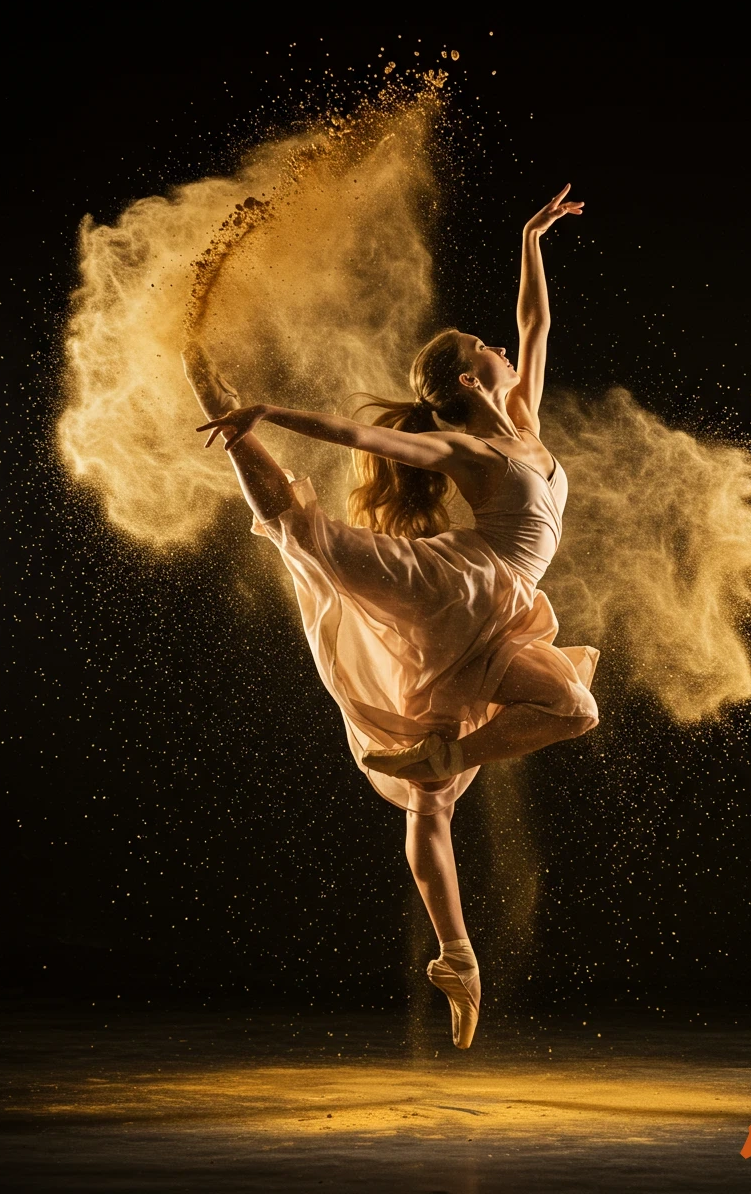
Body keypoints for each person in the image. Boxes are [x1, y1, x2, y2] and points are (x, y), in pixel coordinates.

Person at [183, 185, 599, 1049]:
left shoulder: (521, 418)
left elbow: (536, 325)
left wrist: (531, 235)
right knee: (311, 539)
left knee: (543, 726)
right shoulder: (467, 448)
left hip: (503, 611)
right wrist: (269, 413)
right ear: (469, 380)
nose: (501, 347)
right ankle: (224, 411)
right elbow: (367, 439)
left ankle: (456, 959)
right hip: (463, 587)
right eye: (485, 348)